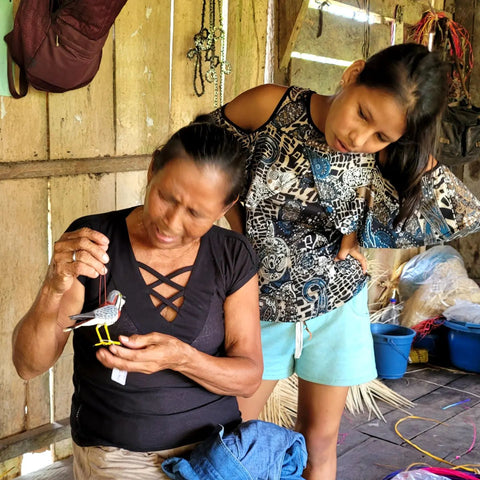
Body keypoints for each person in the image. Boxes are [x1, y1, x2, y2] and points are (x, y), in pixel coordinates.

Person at [203, 42, 480, 480]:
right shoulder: (269, 106)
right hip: (258, 308)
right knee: (232, 439)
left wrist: (365, 229)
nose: (358, 139)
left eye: (381, 136)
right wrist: (238, 230)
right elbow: (202, 150)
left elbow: (463, 213)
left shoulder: (384, 155)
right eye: (363, 114)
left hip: (336, 308)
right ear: (352, 75)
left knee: (320, 441)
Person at [12, 123, 266, 479]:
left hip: (215, 454)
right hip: (117, 455)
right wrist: (53, 287)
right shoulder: (94, 245)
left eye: (196, 214)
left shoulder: (232, 255)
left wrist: (182, 358)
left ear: (227, 207)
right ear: (152, 169)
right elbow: (28, 365)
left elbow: (248, 378)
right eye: (166, 197)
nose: (172, 224)